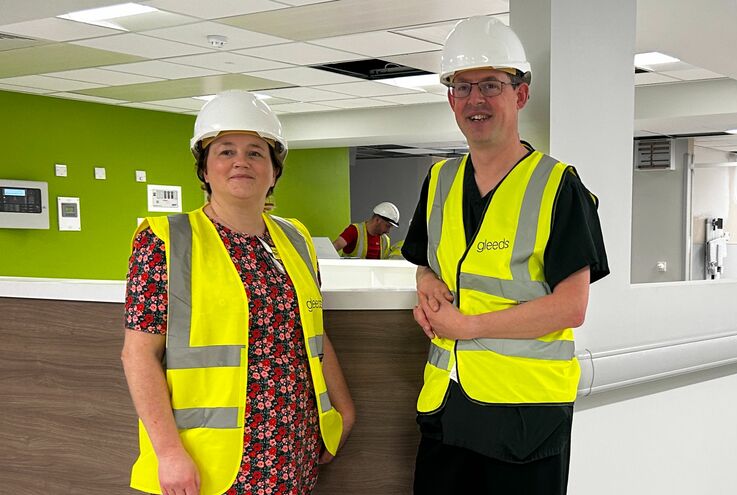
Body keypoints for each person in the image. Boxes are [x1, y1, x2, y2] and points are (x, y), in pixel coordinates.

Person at [402, 17, 609, 495]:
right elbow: (427, 260)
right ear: (451, 99)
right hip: (447, 409)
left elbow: (571, 307)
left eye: (491, 85)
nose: (476, 99)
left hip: (523, 419)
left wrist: (469, 326)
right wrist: (425, 281)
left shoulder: (559, 187)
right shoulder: (439, 180)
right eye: (463, 86)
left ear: (521, 94)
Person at [121, 90, 354, 495]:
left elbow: (313, 333)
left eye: (256, 152)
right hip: (214, 457)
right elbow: (139, 354)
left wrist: (342, 408)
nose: (241, 162)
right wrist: (168, 453)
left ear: (274, 170)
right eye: (225, 151)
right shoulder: (166, 240)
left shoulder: (295, 238)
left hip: (293, 443)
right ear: (205, 170)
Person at [332, 201, 401, 259]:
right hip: (350, 274)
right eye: (387, 226)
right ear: (377, 220)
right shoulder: (354, 231)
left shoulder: (385, 240)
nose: (388, 231)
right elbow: (332, 249)